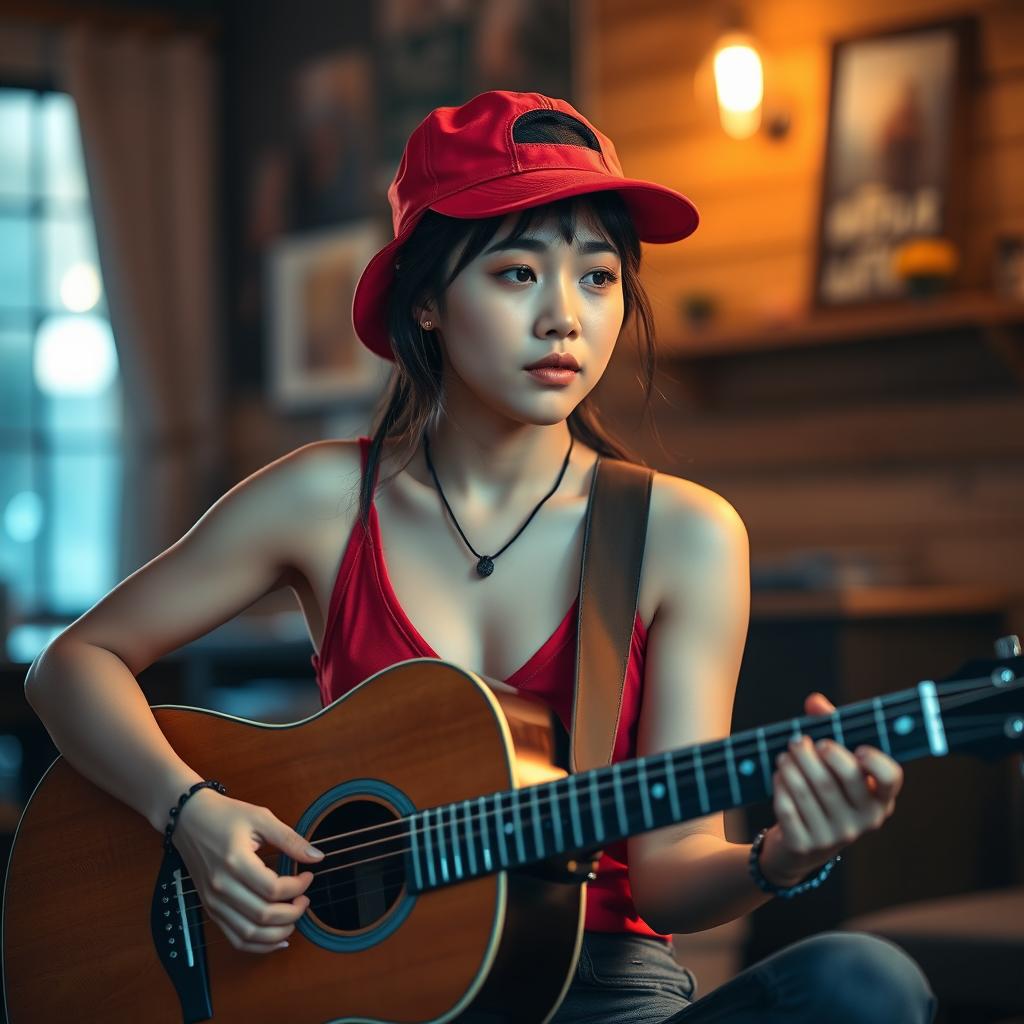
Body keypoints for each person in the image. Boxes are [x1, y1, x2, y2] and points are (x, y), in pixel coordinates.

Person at [24, 90, 937, 1024]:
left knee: (865, 985)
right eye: (515, 274)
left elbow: (667, 877)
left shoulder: (684, 534)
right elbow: (71, 666)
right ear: (425, 301)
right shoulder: (323, 501)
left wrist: (781, 857)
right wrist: (192, 814)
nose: (565, 320)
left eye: (598, 276)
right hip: (367, 997)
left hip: (596, 990)